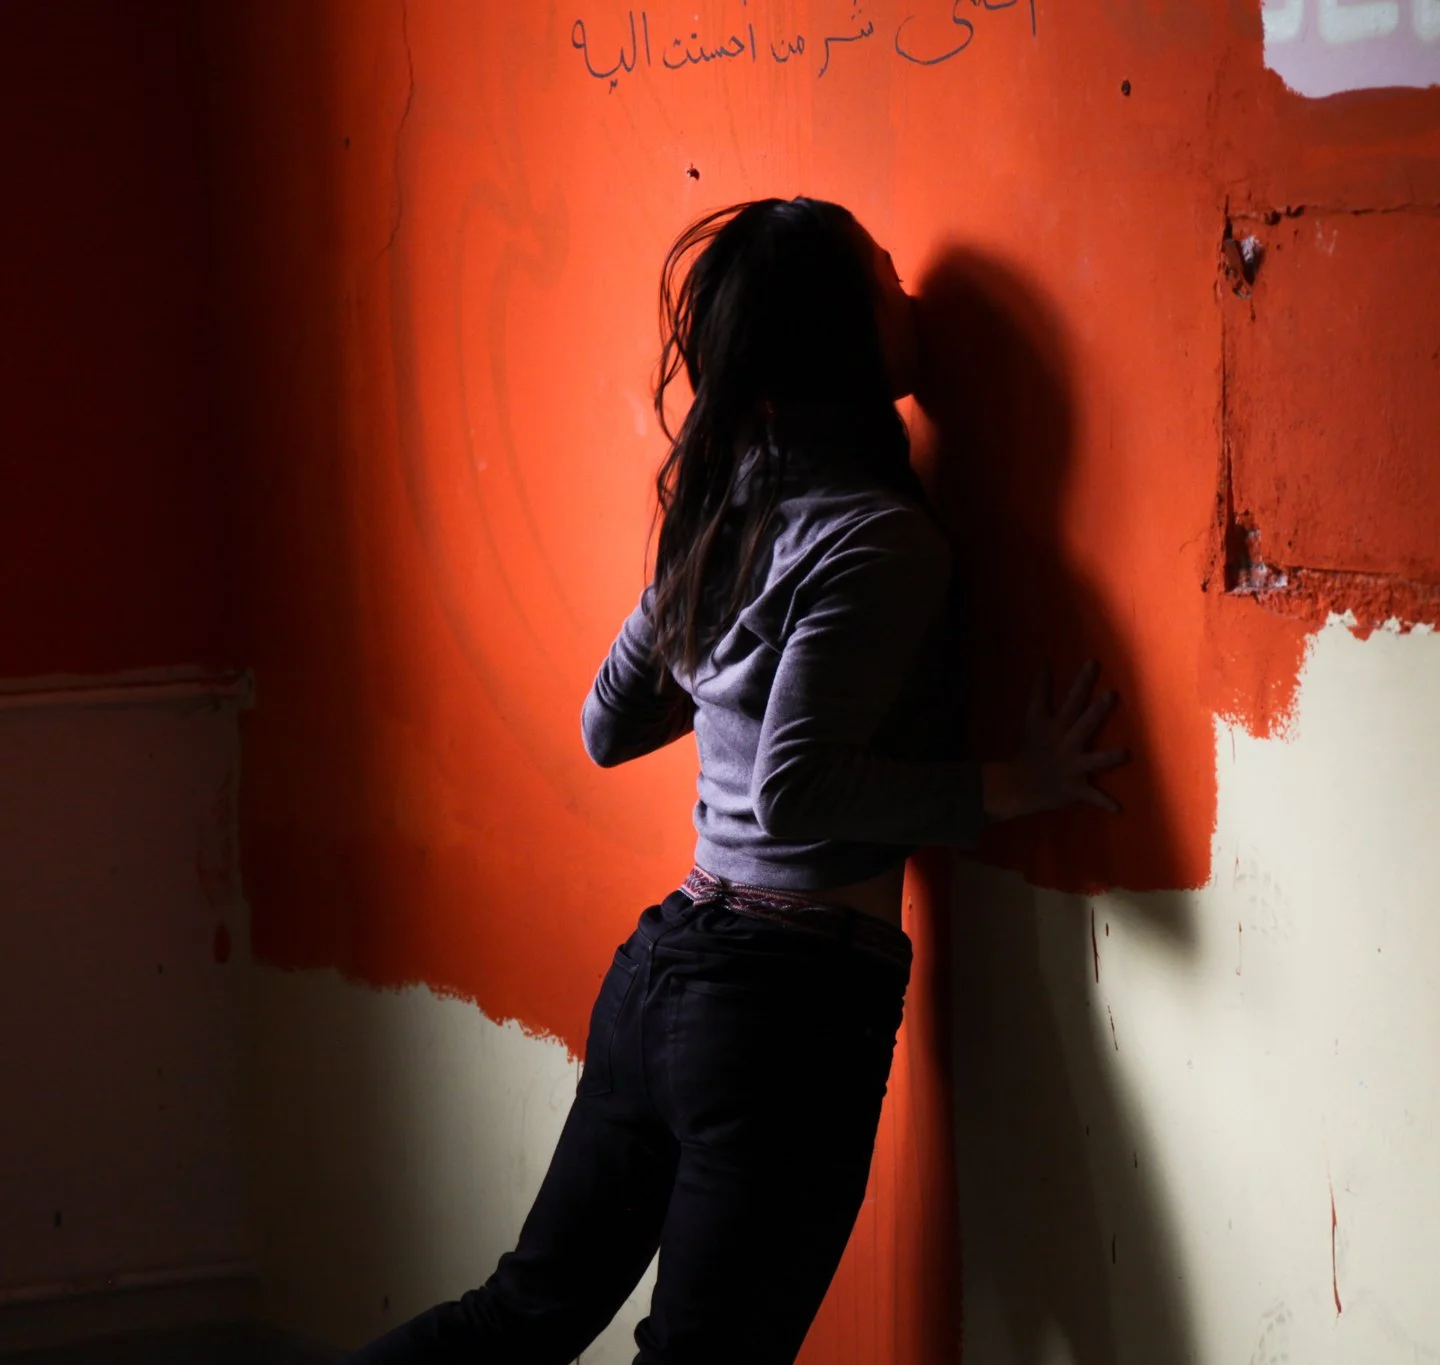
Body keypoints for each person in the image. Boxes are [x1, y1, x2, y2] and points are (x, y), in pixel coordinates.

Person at [347, 197, 1129, 1363]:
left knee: (518, 1319)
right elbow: (796, 791)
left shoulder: (735, 508)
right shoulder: (877, 537)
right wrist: (1007, 786)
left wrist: (705, 602)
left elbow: (607, 724)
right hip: (785, 1009)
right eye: (882, 280)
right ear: (841, 341)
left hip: (664, 978)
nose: (908, 297)